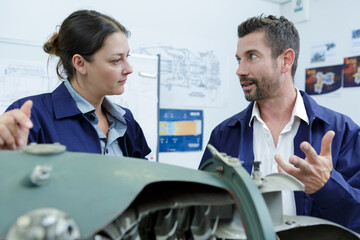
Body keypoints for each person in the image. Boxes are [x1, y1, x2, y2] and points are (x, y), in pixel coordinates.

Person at [199, 15, 360, 233]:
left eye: (252, 57)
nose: (240, 70)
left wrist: (326, 186)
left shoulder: (342, 132)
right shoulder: (224, 134)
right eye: (239, 59)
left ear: (286, 60)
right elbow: (204, 211)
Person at [5, 10, 151, 158]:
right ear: (80, 63)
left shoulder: (126, 119)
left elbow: (142, 176)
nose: (128, 69)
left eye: (127, 56)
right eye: (116, 60)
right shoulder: (31, 117)